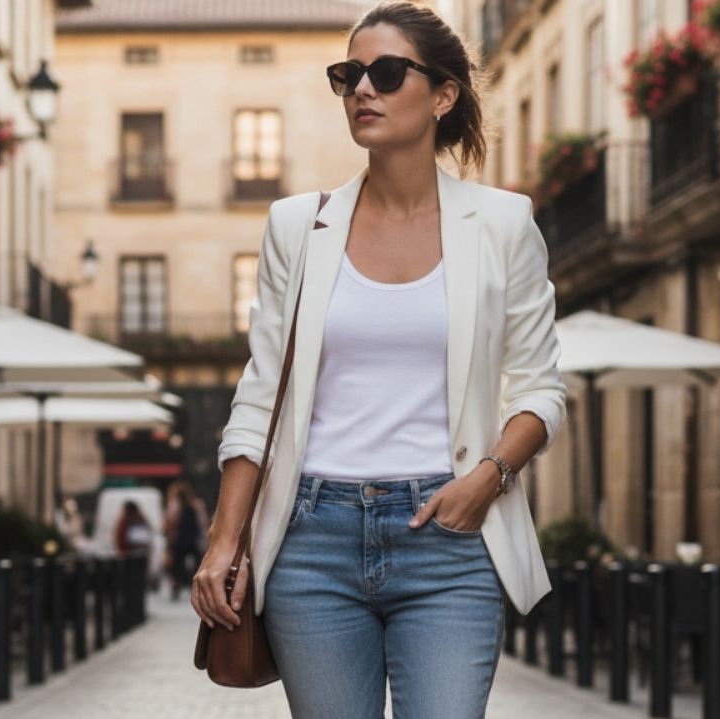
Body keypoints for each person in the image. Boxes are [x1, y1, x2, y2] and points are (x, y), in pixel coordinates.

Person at [192, 3, 568, 716]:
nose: (363, 89)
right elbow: (260, 391)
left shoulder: (503, 225)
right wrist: (222, 540)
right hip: (313, 540)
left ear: (443, 94)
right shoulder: (298, 227)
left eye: (388, 72)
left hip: (449, 539)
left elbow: (540, 389)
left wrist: (486, 479)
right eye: (349, 74)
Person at [164, 481, 208, 600]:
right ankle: (196, 587)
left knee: (177, 566)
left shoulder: (175, 506)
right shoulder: (197, 505)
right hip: (191, 539)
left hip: (180, 540)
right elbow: (202, 523)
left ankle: (176, 587)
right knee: (197, 564)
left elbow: (169, 523)